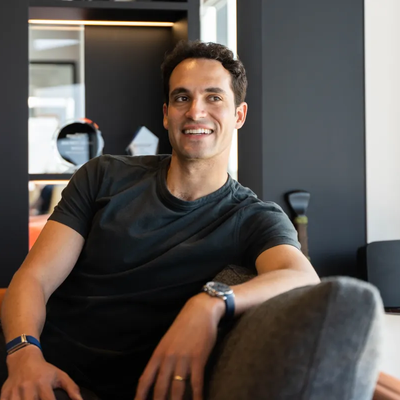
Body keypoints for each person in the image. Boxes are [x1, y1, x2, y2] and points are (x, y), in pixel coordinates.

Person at [0, 40, 322, 400]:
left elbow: (302, 277)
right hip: (35, 359)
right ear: (167, 114)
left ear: (239, 115)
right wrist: (24, 354)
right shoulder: (103, 176)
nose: (196, 111)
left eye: (214, 97)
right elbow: (35, 277)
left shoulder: (253, 218)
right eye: (182, 98)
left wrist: (210, 303)